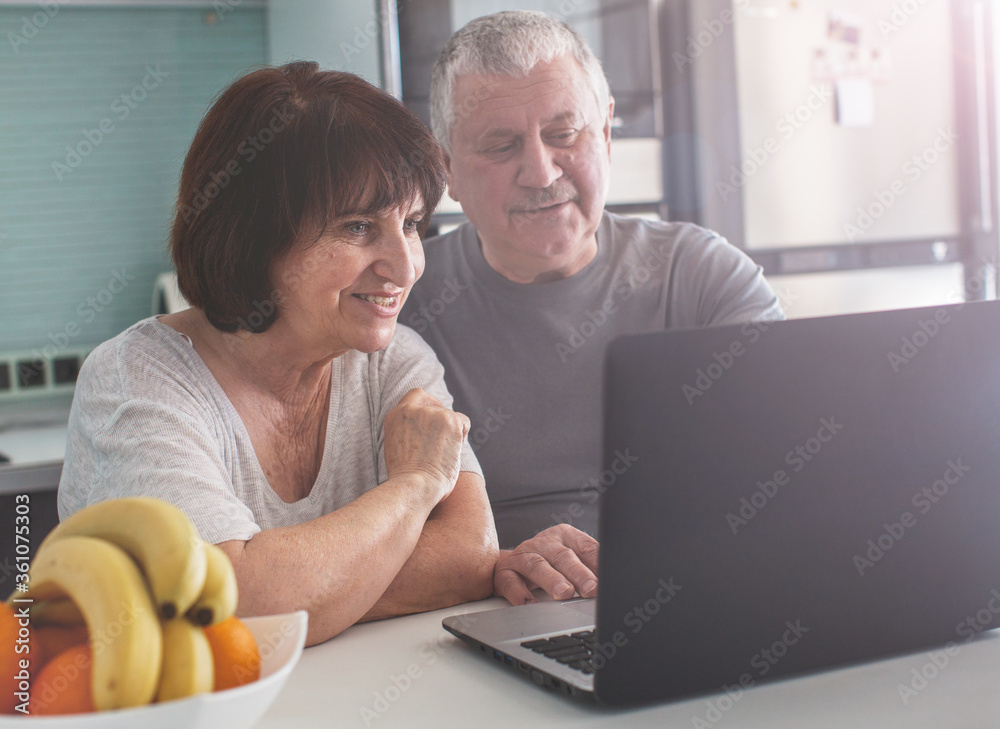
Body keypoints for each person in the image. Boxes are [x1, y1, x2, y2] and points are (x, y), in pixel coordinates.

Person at [58, 62, 498, 646]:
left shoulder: (394, 361)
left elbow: (468, 552)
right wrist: (415, 486)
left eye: (412, 223)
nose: (405, 265)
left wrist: (304, 591)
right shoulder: (136, 379)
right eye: (359, 226)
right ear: (252, 236)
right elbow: (229, 602)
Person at [402, 11, 784, 605]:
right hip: (492, 613)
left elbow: (789, 477)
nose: (542, 171)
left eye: (564, 134)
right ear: (446, 168)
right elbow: (370, 528)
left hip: (696, 598)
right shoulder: (401, 305)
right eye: (501, 145)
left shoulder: (703, 278)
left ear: (605, 131)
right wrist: (493, 563)